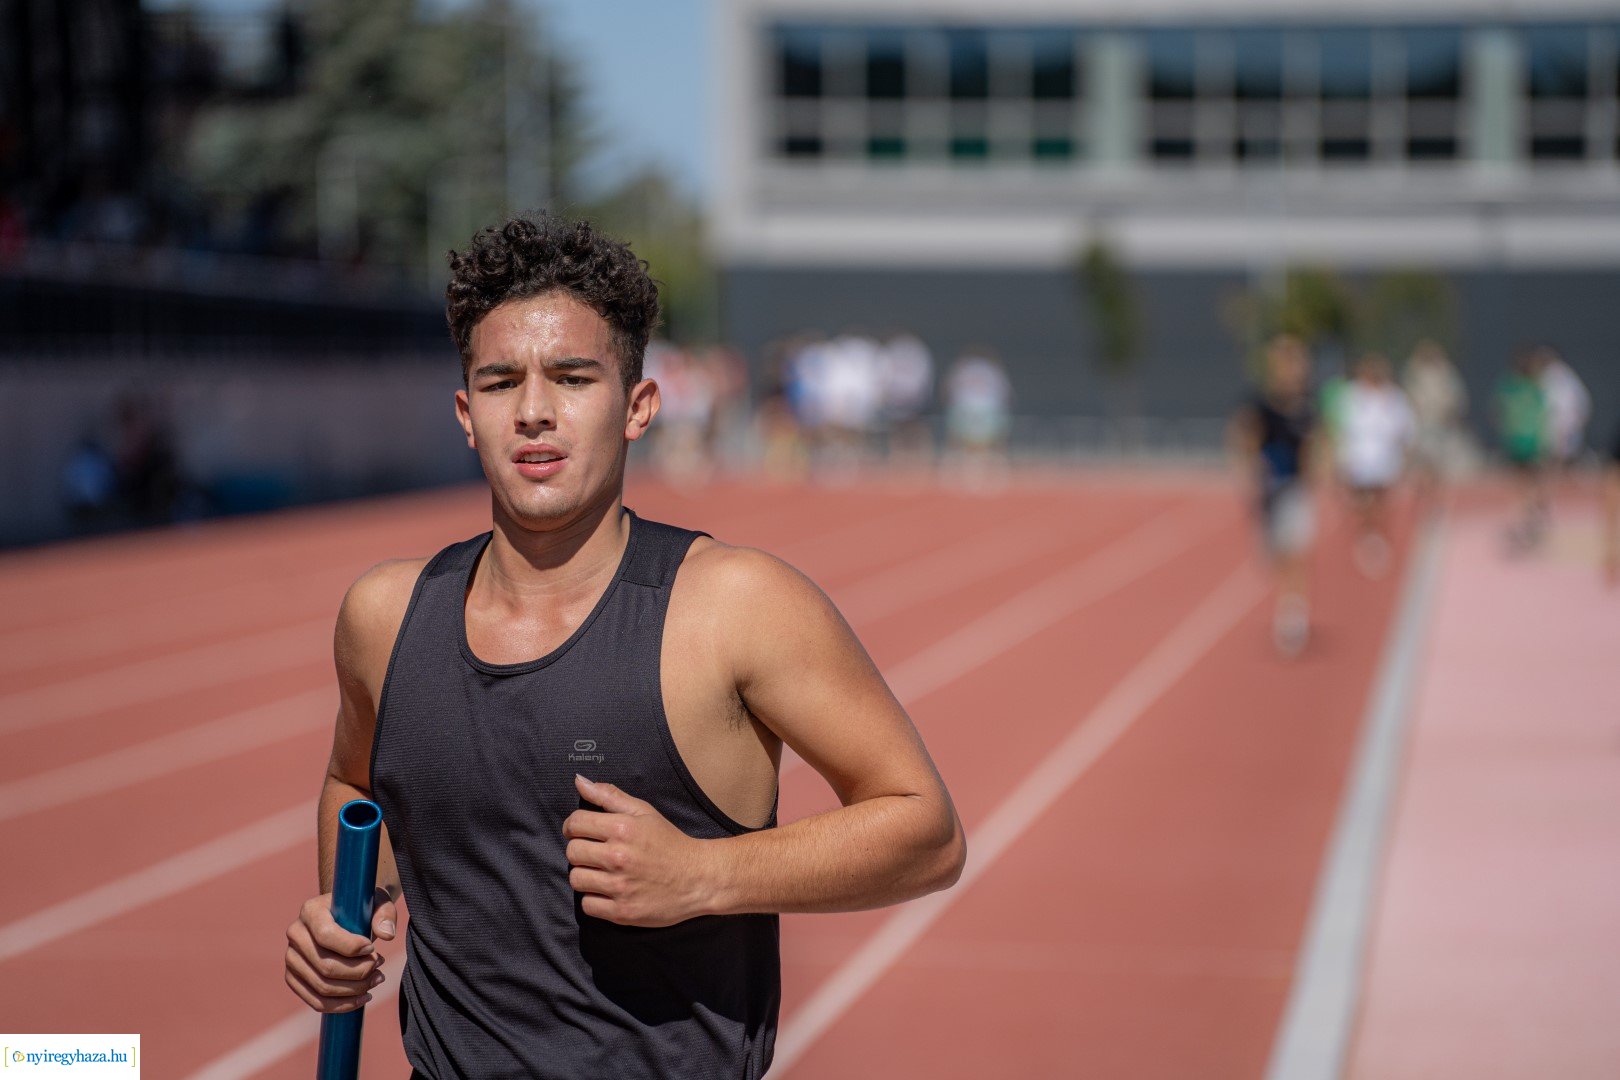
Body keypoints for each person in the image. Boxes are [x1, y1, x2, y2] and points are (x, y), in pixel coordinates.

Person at [282, 216, 966, 1079]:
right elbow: (353, 779)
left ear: (639, 406)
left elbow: (927, 831)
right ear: (467, 413)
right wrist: (347, 909)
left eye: (571, 378)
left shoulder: (734, 606)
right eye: (500, 383)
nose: (533, 411)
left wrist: (704, 876)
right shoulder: (383, 617)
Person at [1231, 335, 1319, 657]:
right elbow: (1244, 434)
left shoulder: (1307, 408)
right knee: (1274, 559)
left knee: (1296, 554)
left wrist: (1316, 477)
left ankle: (1292, 616)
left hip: (1294, 490)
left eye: (1297, 365)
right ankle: (1290, 605)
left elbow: (1314, 446)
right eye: (1286, 365)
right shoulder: (1260, 404)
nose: (1292, 372)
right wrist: (1249, 470)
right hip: (1268, 492)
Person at [1336, 353, 1415, 578]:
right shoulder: (1351, 395)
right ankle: (1367, 533)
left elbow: (1405, 430)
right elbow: (1342, 428)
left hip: (1385, 460)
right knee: (1361, 501)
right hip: (1358, 458)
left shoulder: (1394, 397)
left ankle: (1376, 536)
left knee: (1380, 501)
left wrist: (1405, 458)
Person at [1402, 339, 1467, 506]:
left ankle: (1437, 500)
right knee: (1423, 466)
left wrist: (1449, 417)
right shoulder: (1414, 372)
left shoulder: (1445, 372)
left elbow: (1456, 399)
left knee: (1438, 467)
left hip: (1439, 427)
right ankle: (1424, 499)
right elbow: (1408, 398)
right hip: (1422, 427)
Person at [1497, 347, 1549, 553]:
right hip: (1531, 443)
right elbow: (1543, 417)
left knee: (1522, 485)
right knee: (1531, 484)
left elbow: (1501, 412)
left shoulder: (1512, 389)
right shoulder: (1535, 389)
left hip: (1519, 443)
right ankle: (1531, 517)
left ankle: (1528, 518)